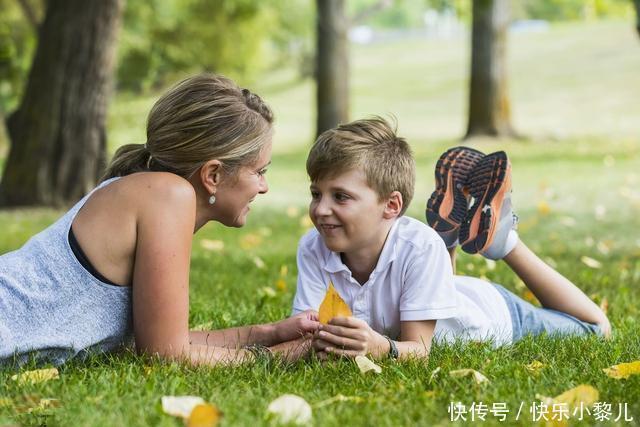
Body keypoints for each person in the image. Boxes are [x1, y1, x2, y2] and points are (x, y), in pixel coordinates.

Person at [0, 74, 319, 367]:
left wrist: (271, 332)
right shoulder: (169, 195)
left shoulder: (152, 189)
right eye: (259, 172)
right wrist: (279, 356)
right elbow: (165, 355)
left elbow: (161, 339)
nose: (264, 187)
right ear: (213, 174)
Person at [291, 117, 610, 360]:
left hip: (491, 313)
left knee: (596, 330)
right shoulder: (313, 246)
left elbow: (420, 350)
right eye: (316, 194)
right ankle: (446, 240)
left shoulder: (417, 247)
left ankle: (504, 242)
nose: (321, 209)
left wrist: (380, 347)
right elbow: (309, 333)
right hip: (437, 288)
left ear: (391, 205)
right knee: (425, 256)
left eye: (341, 197)